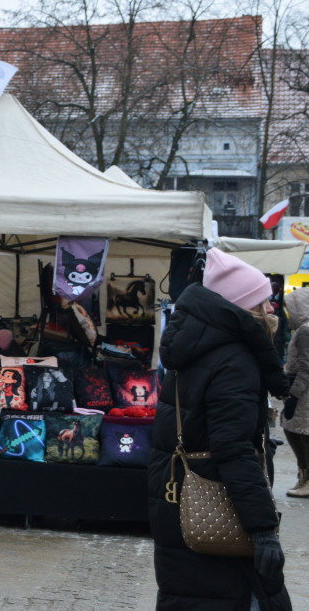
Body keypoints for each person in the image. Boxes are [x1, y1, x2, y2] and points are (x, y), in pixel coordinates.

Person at [149, 248, 291, 610]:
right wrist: (262, 528)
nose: (273, 308)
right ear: (244, 309)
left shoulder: (197, 346)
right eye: (264, 301)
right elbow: (232, 448)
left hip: (180, 496)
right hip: (218, 505)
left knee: (190, 596)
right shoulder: (235, 360)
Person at [282, 287, 309, 498]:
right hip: (301, 389)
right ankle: (304, 477)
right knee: (295, 431)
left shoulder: (306, 330)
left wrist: (294, 395)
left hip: (303, 392)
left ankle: (307, 480)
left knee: (299, 434)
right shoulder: (303, 329)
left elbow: (306, 367)